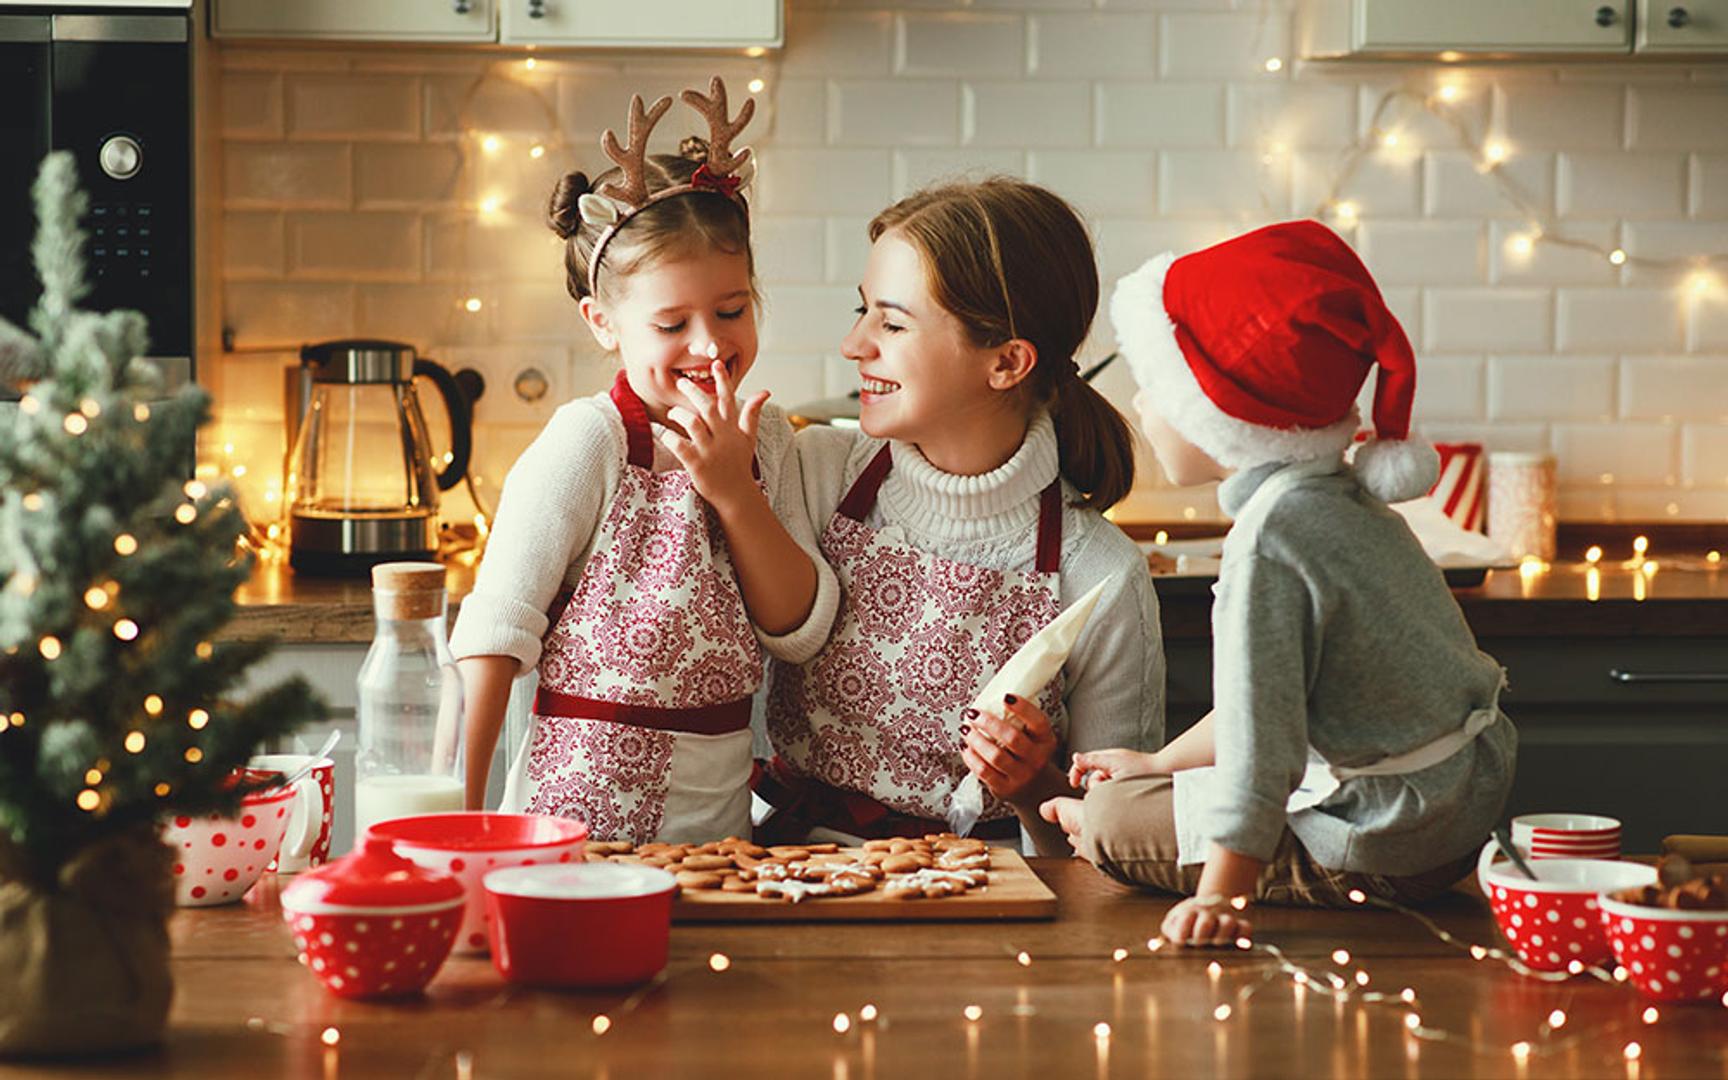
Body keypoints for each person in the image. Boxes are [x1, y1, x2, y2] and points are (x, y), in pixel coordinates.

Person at [1040, 220, 1517, 945]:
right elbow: (1269, 703)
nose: (1139, 406)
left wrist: (1221, 896)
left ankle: (1110, 832)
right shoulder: (1342, 499)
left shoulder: (1270, 544)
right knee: (1146, 788)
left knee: (1111, 818)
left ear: (1222, 414)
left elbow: (1266, 748)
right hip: (1448, 810)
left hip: (1380, 840)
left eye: (1156, 387)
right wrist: (1159, 763)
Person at [449, 79, 837, 844]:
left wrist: (735, 492)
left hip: (715, 820)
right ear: (603, 322)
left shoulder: (768, 443)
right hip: (575, 812)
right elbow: (497, 630)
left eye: (732, 310)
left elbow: (797, 627)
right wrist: (461, 813)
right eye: (671, 322)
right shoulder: (587, 442)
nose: (709, 344)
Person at [759, 179, 1165, 854]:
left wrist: (1037, 788)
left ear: (1006, 362)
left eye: (891, 323)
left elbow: (1113, 850)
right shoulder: (817, 474)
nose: (854, 345)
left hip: (988, 906)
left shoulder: (1101, 575)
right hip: (791, 871)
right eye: (863, 312)